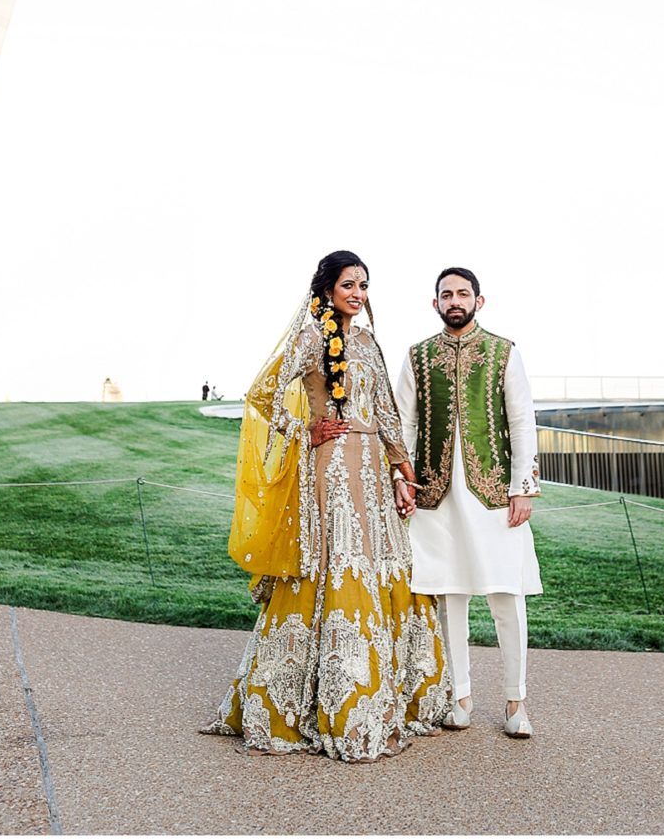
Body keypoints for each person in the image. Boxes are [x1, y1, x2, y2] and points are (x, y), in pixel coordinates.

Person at [203, 250, 451, 760]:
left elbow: (384, 407)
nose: (358, 294)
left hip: (374, 469)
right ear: (327, 288)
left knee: (385, 566)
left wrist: (403, 466)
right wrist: (306, 430)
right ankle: (321, 701)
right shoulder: (312, 335)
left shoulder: (365, 340)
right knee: (336, 565)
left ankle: (389, 696)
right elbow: (264, 393)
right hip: (332, 468)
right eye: (348, 285)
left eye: (363, 285)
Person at [395, 266, 541, 738]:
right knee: (447, 597)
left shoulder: (504, 353)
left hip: (495, 495)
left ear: (480, 301)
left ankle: (516, 703)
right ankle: (460, 697)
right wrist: (404, 478)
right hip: (436, 498)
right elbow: (404, 425)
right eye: (445, 294)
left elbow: (522, 423)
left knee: (507, 598)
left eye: (462, 293)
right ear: (434, 303)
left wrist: (523, 487)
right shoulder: (418, 357)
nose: (453, 300)